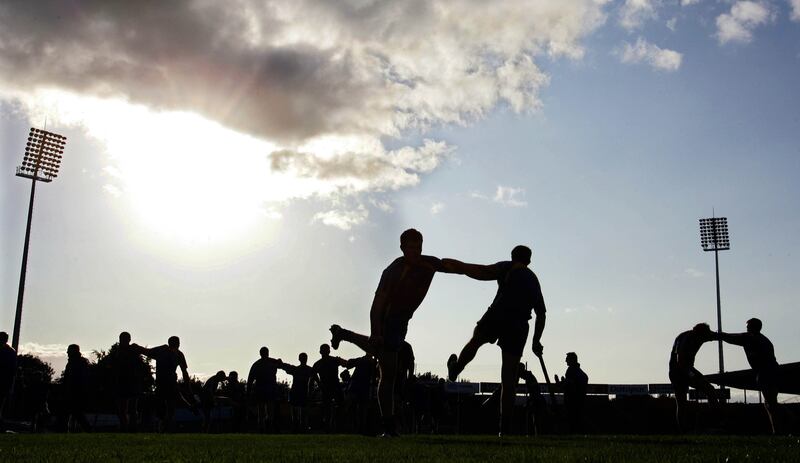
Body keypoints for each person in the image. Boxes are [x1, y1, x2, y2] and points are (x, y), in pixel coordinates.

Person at [330, 228, 455, 436]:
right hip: (388, 321)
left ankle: (344, 334)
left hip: (401, 323)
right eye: (410, 248)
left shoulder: (428, 263)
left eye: (418, 248)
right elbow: (377, 305)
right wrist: (375, 331)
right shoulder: (394, 270)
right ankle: (388, 428)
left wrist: (484, 271)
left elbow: (453, 266)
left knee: (386, 368)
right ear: (402, 248)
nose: (415, 252)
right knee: (387, 375)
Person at [445, 245, 547, 436]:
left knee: (476, 339)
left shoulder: (508, 267)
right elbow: (541, 313)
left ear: (512, 256)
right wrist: (536, 340)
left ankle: (457, 367)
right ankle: (505, 430)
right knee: (508, 381)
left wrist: (460, 267)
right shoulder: (534, 280)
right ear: (530, 260)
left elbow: (482, 271)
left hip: (498, 315)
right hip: (519, 325)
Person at [719, 318, 780, 434]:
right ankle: (778, 430)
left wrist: (716, 335)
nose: (746, 328)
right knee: (771, 402)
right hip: (771, 371)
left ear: (752, 327)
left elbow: (731, 338)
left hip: (766, 372)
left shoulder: (750, 338)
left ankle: (778, 430)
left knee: (770, 403)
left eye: (748, 326)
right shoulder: (763, 339)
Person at [131, 336, 195, 432]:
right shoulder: (172, 352)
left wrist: (137, 347)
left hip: (164, 384)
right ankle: (164, 426)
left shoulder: (166, 351)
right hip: (166, 384)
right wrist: (189, 389)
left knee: (168, 407)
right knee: (169, 407)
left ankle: (163, 427)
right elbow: (185, 373)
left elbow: (146, 351)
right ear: (178, 344)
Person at [668, 323, 719, 432]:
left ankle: (686, 430)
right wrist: (692, 375)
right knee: (684, 402)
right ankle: (714, 422)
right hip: (680, 372)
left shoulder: (697, 335)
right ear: (699, 334)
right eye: (704, 338)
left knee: (682, 403)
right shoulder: (686, 340)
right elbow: (680, 361)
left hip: (682, 370)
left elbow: (716, 336)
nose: (705, 340)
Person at [247, 347, 283, 433]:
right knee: (268, 410)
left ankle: (263, 427)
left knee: (261, 410)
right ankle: (268, 427)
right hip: (268, 389)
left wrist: (248, 392)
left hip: (261, 389)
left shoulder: (257, 364)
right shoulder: (272, 362)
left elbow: (250, 379)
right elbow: (281, 365)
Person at [280, 353, 318, 433]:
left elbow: (287, 367)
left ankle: (298, 427)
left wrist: (281, 364)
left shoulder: (297, 369)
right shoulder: (309, 370)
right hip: (301, 393)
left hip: (298, 392)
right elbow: (317, 380)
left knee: (297, 412)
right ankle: (301, 427)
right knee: (301, 412)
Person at [314, 344, 348, 432]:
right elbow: (346, 364)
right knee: (332, 408)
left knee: (331, 408)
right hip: (331, 387)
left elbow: (313, 375)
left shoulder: (320, 363)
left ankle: (334, 427)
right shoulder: (330, 361)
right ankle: (334, 427)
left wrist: (318, 384)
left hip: (331, 387)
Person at [113, 331, 142, 432]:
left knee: (131, 408)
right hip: (123, 382)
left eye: (125, 339)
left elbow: (139, 366)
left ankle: (131, 427)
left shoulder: (130, 351)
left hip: (131, 382)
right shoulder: (118, 351)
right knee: (123, 409)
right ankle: (125, 427)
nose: (123, 341)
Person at [63, 344, 91, 432]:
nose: (67, 352)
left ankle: (88, 430)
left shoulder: (79, 362)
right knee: (75, 413)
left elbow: (82, 378)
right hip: (73, 391)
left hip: (77, 392)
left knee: (77, 413)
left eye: (69, 350)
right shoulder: (73, 362)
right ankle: (71, 430)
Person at [558, 352, 588, 433]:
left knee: (572, 419)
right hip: (578, 399)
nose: (565, 361)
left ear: (572, 360)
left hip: (573, 400)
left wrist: (561, 383)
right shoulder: (578, 371)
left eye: (567, 359)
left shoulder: (571, 370)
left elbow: (569, 384)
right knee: (577, 419)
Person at [518, 363, 545, 436]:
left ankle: (534, 434)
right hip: (536, 399)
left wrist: (530, 401)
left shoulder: (529, 378)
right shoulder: (529, 376)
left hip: (536, 400)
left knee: (534, 419)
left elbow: (534, 391)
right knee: (534, 419)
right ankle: (535, 434)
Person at [0, 332, 17, 426]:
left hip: (4, 380)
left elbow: (13, 369)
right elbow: (13, 369)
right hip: (5, 380)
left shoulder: (10, 352)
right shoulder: (11, 351)